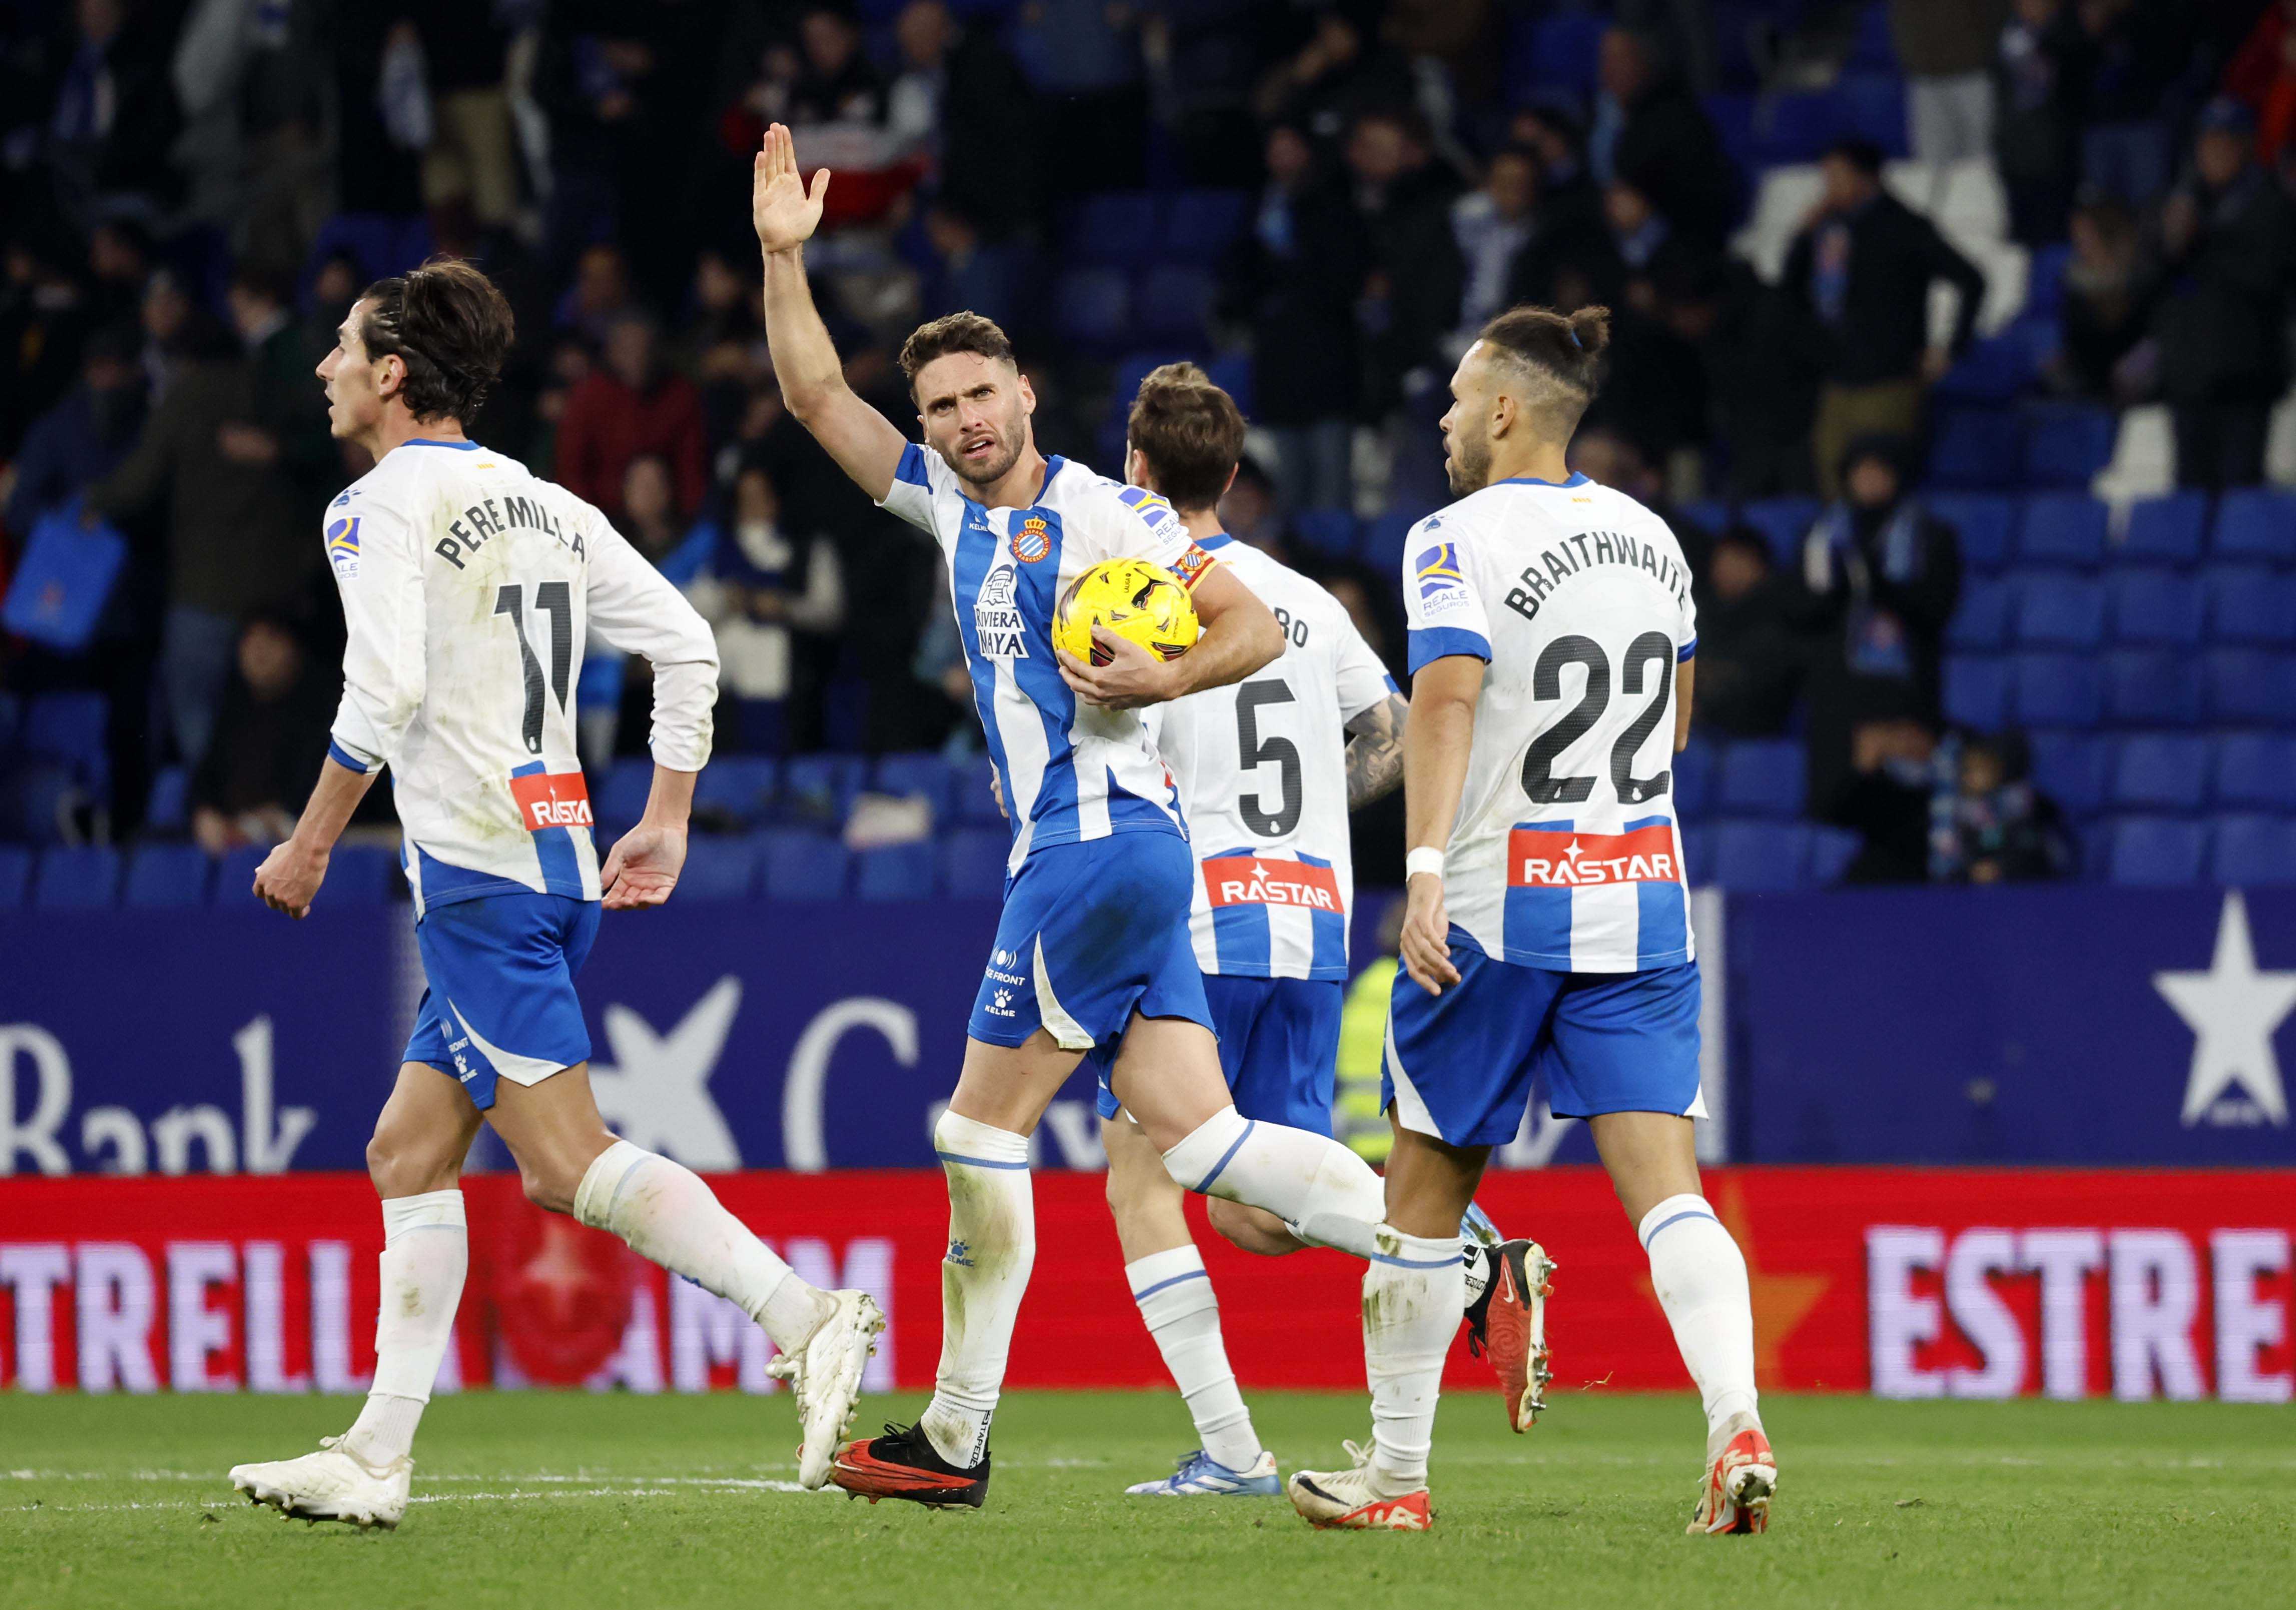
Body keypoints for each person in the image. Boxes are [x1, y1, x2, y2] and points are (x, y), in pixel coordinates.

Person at [749, 124, 1394, 1508]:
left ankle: (955, 1436)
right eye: (941, 407)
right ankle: (1455, 1251)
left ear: (1027, 392)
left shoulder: (1106, 513)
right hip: (1131, 860)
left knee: (980, 1133)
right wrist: (782, 256)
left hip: (1091, 847)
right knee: (1202, 1146)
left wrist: (1161, 674)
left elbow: (1249, 623)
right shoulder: (943, 504)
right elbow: (811, 395)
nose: (963, 421)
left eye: (981, 394)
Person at [226, 258, 882, 1531]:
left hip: (480, 875)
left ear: (392, 372)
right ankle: (376, 1455)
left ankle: (805, 1313)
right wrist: (666, 816)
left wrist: (308, 844)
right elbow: (687, 644)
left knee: (566, 1161)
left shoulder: (374, 506)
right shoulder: (543, 501)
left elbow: (384, 690)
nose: (324, 366)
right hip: (557, 859)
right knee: (407, 1150)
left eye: (343, 346)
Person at [1288, 304, 1774, 1538]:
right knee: (1670, 1195)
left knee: (1420, 1190)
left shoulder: (1450, 537)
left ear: (1504, 408)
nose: (1444, 423)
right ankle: (1735, 1424)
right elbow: (1673, 722)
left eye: (1457, 401)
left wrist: (1424, 869)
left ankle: (1396, 1477)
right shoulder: (1652, 537)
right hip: (1641, 897)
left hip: (1497, 907)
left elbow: (1444, 700)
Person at [1096, 365, 1546, 1499]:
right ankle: (1466, 1248)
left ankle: (1233, 1450)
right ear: (1231, 474)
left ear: (1135, 467)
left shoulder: (1135, 587)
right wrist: (1308, 812)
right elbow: (1389, 732)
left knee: (1140, 1175)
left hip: (1198, 914)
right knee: (1251, 1207)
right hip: (1308, 910)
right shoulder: (1306, 600)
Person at [1783, 139, 1986, 499]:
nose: (1829, 186)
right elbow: (1791, 289)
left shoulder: (1903, 226)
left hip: (1889, 384)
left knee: (1878, 488)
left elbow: (1970, 280)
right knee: (1832, 488)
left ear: (1866, 178)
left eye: (1838, 176)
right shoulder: (1829, 228)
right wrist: (1802, 236)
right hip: (1836, 381)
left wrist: (1952, 348)